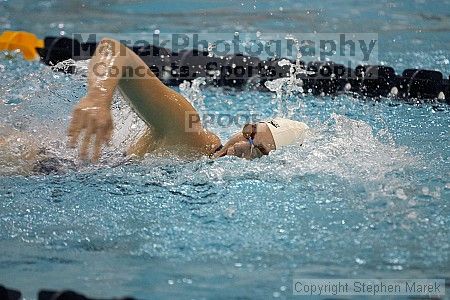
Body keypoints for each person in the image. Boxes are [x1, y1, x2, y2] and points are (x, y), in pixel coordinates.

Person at [68, 38, 309, 161]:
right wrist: (98, 97)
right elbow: (114, 50)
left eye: (258, 152)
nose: (240, 146)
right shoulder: (189, 131)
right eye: (249, 133)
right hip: (51, 164)